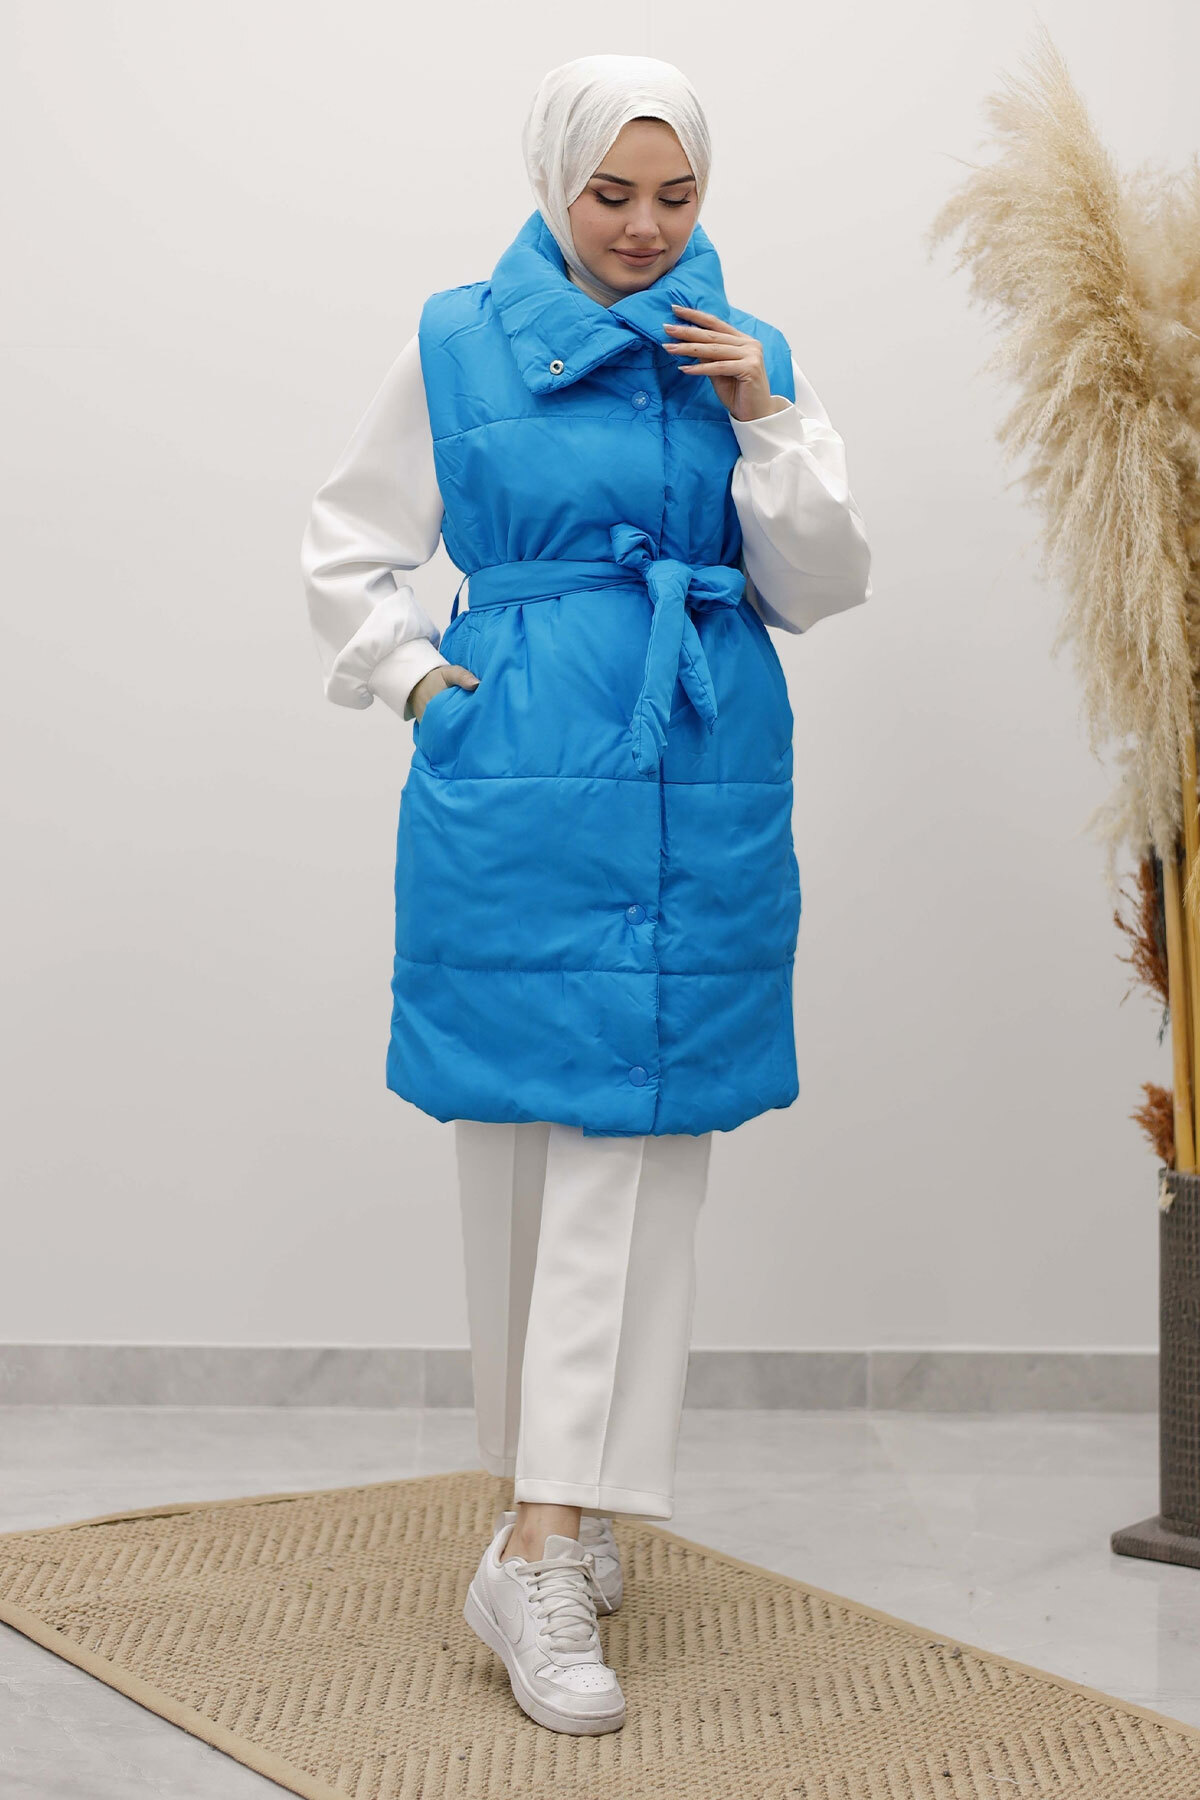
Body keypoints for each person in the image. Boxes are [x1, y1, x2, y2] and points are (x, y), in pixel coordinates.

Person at [300, 52, 871, 1738]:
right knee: (522, 1143)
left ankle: (551, 1526)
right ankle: (549, 1507)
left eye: (676, 196)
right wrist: (418, 684)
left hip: (694, 765)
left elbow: (819, 584)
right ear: (554, 181)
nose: (643, 227)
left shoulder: (739, 348)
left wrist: (766, 413)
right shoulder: (454, 338)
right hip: (521, 764)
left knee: (642, 1143)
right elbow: (348, 543)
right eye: (611, 195)